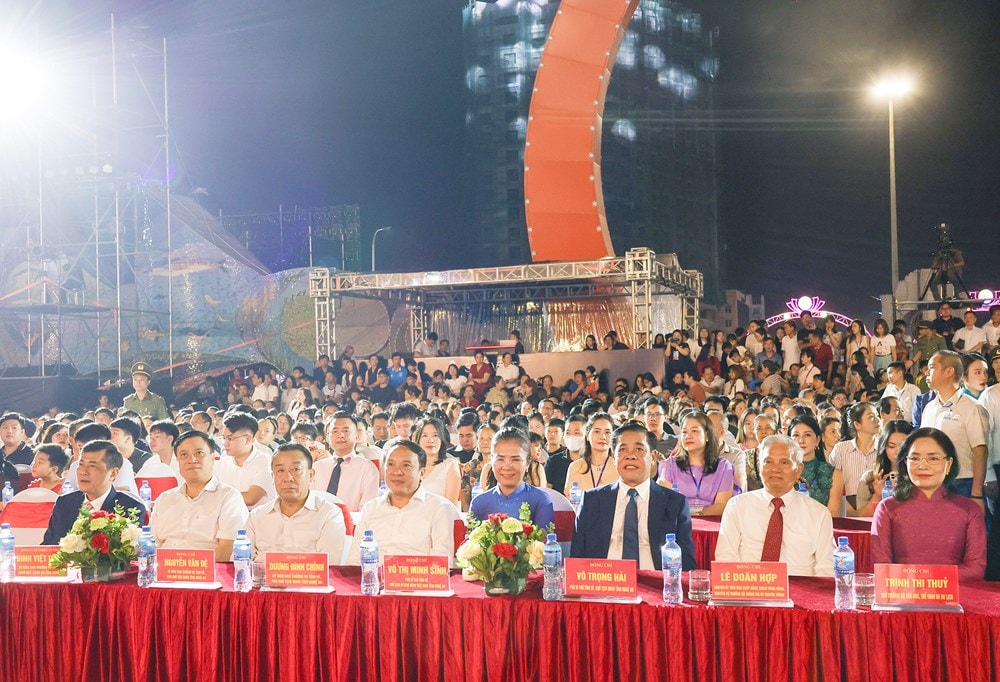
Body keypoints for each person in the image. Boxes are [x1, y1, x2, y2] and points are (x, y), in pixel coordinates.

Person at [571, 423, 697, 570]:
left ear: (653, 457)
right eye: (623, 450)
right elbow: (577, 558)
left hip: (656, 585)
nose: (630, 456)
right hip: (605, 584)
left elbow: (687, 563)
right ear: (613, 457)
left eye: (639, 449)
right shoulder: (591, 500)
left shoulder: (675, 503)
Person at [871, 428, 986, 580]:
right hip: (902, 597)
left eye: (933, 458)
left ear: (949, 464)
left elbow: (976, 568)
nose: (923, 465)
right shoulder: (887, 508)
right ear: (905, 462)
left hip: (957, 597)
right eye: (915, 458)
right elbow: (881, 566)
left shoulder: (969, 510)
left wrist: (927, 578)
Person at [715, 435, 835, 576]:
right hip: (749, 590)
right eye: (768, 462)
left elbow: (826, 568)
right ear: (759, 466)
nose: (775, 469)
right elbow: (725, 559)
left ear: (798, 469)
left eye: (784, 462)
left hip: (800, 593)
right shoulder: (737, 506)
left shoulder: (818, 514)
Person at [348, 439, 461, 565]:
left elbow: (441, 564)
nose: (397, 472)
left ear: (422, 473)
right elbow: (354, 561)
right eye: (391, 464)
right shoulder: (371, 508)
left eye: (406, 465)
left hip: (416, 581)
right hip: (373, 581)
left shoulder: (440, 508)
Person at [151, 431, 249, 561]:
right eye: (184, 455)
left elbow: (227, 549)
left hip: (207, 574)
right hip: (165, 572)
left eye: (199, 453)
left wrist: (191, 571)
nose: (192, 460)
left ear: (213, 458)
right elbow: (152, 545)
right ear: (178, 461)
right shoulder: (165, 499)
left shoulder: (228, 497)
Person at [245, 443, 346, 565]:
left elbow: (329, 565)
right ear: (273, 477)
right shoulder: (256, 516)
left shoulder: (329, 514)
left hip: (310, 582)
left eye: (296, 469)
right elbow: (241, 561)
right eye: (280, 470)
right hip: (263, 581)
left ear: (311, 475)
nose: (288, 478)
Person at [42, 440, 146, 545]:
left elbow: (129, 554)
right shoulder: (64, 503)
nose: (83, 471)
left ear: (113, 473)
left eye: (92, 466)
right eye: (81, 464)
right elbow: (49, 545)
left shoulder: (130, 508)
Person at [920, 350, 988, 508]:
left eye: (932, 367)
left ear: (949, 371)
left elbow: (980, 452)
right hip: (932, 485)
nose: (926, 372)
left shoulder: (971, 408)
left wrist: (976, 494)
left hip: (962, 484)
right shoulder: (929, 407)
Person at [469, 428, 554, 530]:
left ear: (527, 463)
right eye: (500, 459)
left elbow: (545, 543)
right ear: (491, 461)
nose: (507, 466)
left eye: (515, 459)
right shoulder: (479, 503)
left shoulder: (541, 500)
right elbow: (471, 544)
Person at [657, 410, 734, 516]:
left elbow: (721, 505)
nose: (688, 436)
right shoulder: (670, 465)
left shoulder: (723, 467)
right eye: (684, 432)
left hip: (711, 525)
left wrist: (698, 515)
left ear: (707, 435)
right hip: (678, 523)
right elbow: (666, 501)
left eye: (694, 431)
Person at [310, 412, 380, 512]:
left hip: (352, 525)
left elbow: (367, 510)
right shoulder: (317, 468)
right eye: (335, 431)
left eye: (346, 431)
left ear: (356, 435)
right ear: (328, 437)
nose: (340, 435)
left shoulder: (367, 468)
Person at [216, 413, 276, 510]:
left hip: (256, 520)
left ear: (248, 439)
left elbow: (251, 498)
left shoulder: (265, 462)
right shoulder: (222, 464)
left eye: (230, 439)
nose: (225, 444)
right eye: (224, 438)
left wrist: (218, 498)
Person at [829, 402, 880, 514]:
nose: (877, 420)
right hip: (846, 507)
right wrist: (852, 511)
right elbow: (830, 483)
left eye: (877, 415)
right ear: (857, 424)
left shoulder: (884, 449)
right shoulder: (841, 449)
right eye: (871, 417)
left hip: (877, 506)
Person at [855, 420, 913, 517]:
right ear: (884, 448)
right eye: (891, 446)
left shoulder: (919, 476)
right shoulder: (871, 477)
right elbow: (861, 516)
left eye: (903, 446)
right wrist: (877, 495)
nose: (898, 451)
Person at [788, 415, 843, 516]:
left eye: (807, 435)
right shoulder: (782, 472)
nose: (801, 440)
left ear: (817, 439)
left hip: (821, 529)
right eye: (796, 435)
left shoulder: (834, 474)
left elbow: (832, 517)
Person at [563, 413, 619, 496]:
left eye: (607, 432)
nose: (602, 437)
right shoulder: (575, 467)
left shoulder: (619, 467)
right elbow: (569, 500)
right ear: (587, 435)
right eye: (597, 431)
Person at [413, 416, 462, 507]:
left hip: (441, 517)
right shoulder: (412, 466)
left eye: (435, 435)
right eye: (425, 435)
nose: (430, 440)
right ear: (418, 440)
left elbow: (451, 506)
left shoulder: (450, 465)